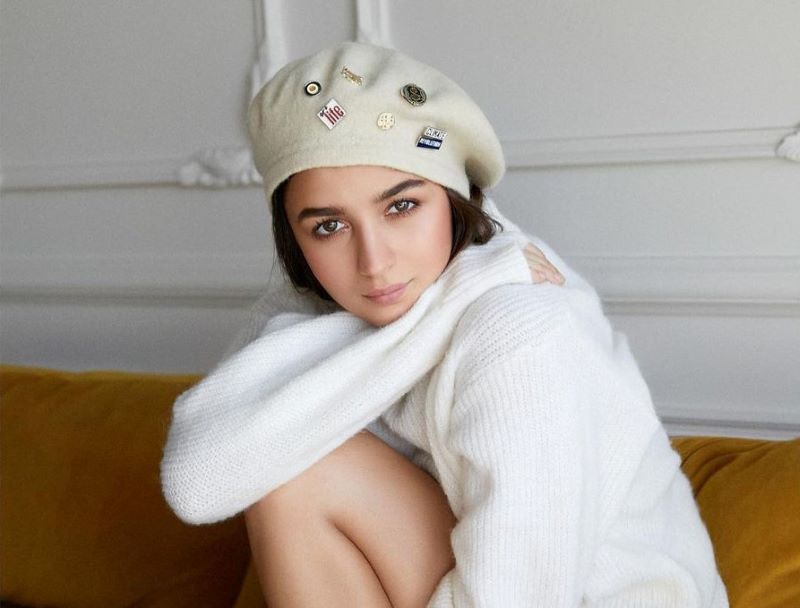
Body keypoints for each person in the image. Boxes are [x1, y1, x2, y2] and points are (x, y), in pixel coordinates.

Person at [160, 42, 728, 607]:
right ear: (294, 238)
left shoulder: (520, 328)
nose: (374, 262)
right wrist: (439, 315)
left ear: (455, 198)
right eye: (328, 226)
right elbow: (198, 480)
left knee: (300, 479)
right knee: (285, 473)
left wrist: (457, 303)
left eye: (401, 206)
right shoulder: (333, 307)